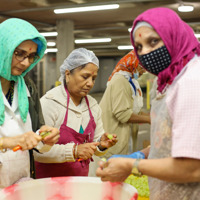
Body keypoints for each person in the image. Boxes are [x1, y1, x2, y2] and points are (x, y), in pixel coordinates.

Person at [96, 7, 200, 200]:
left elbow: (193, 167)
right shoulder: (167, 81)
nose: (146, 53)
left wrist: (132, 166)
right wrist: (142, 155)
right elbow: (173, 141)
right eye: (139, 47)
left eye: (153, 41)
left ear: (173, 36)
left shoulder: (192, 81)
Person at [35, 48, 117, 178]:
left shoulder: (93, 106)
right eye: (85, 77)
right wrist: (74, 151)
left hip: (79, 180)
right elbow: (38, 151)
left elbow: (95, 142)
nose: (90, 83)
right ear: (68, 74)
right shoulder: (50, 103)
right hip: (49, 182)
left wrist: (101, 144)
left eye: (94, 78)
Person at [0, 18, 60, 189]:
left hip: (21, 180)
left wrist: (45, 138)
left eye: (31, 56)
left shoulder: (27, 87)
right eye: (19, 54)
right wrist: (6, 142)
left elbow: (35, 132)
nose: (26, 63)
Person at [88, 50, 150, 177]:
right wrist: (149, 120)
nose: (144, 71)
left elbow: (134, 111)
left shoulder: (131, 82)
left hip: (121, 138)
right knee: (107, 179)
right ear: (133, 63)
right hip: (111, 140)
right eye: (142, 67)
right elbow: (123, 115)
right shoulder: (120, 81)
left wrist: (151, 116)